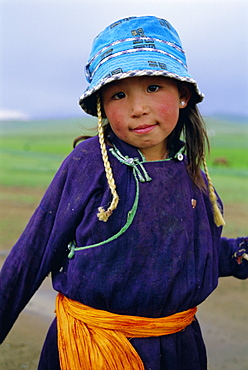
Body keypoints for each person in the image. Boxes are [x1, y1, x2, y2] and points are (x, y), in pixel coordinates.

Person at [0, 15, 247, 370]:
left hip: (179, 352)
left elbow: (190, 255)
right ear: (102, 105)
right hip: (91, 350)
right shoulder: (88, 164)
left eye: (152, 87)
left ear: (183, 95)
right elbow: (31, 255)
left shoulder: (192, 171)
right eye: (119, 94)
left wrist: (239, 254)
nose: (137, 108)